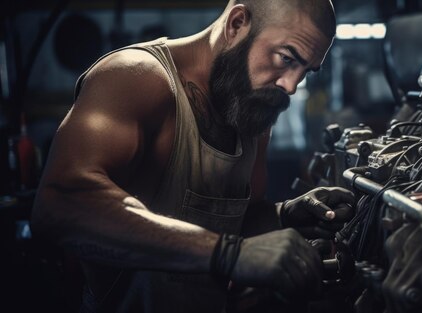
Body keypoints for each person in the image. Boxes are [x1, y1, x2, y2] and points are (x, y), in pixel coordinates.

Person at [30, 0, 355, 312]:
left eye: (306, 71)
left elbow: (235, 222)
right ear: (237, 23)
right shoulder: (137, 79)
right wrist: (228, 254)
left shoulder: (250, 109)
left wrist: (282, 216)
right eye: (287, 58)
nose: (291, 86)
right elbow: (60, 203)